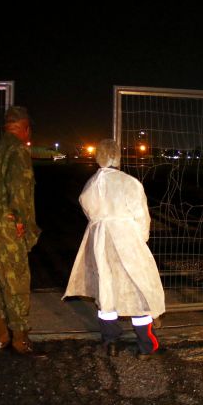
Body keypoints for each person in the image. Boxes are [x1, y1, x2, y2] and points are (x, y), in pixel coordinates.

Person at [63, 139, 166, 359]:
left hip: (99, 239)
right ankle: (145, 344)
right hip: (127, 239)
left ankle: (110, 341)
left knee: (106, 287)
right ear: (117, 156)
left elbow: (90, 212)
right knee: (138, 287)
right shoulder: (129, 183)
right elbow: (141, 217)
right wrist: (141, 240)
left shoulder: (90, 184)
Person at [0, 106, 45, 357]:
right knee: (16, 279)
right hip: (6, 224)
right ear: (25, 128)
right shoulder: (18, 151)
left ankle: (1, 335)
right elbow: (21, 192)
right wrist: (23, 222)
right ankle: (20, 339)